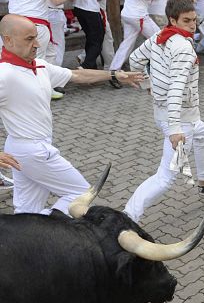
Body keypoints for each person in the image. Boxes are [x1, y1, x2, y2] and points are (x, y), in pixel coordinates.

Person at [0, 14, 142, 216]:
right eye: (29, 39)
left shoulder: (39, 65)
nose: (37, 44)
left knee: (26, 212)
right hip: (32, 150)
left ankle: (24, 241)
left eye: (36, 37)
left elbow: (76, 75)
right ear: (8, 40)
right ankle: (51, 230)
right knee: (81, 194)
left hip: (25, 149)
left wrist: (113, 74)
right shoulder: (4, 74)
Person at [125, 0, 204, 223]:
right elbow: (177, 88)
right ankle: (128, 216)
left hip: (168, 114)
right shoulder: (183, 48)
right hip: (179, 120)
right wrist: (175, 129)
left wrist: (147, 84)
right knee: (165, 178)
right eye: (187, 21)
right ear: (172, 19)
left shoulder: (158, 36)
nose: (192, 25)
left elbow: (135, 59)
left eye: (194, 20)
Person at [4, 0, 82, 75]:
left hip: (15, 23)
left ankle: (49, 84)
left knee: (50, 54)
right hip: (35, 24)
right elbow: (56, 0)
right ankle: (38, 87)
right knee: (36, 61)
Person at [109, 0, 175, 83]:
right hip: (137, 14)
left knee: (127, 44)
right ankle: (164, 70)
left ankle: (113, 72)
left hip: (131, 14)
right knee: (160, 37)